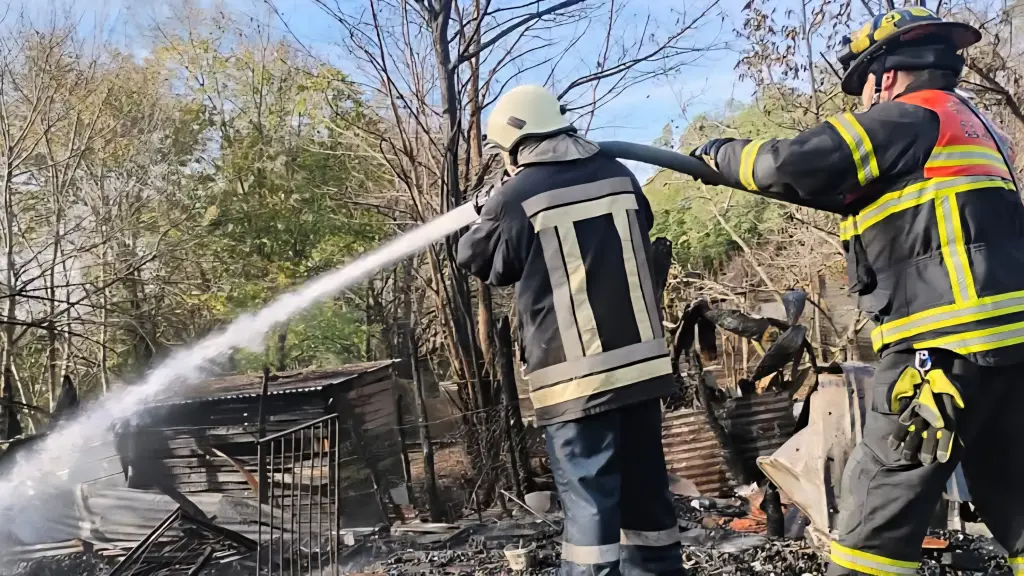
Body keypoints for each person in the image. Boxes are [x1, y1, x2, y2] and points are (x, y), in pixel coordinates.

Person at [688, 7, 1024, 575]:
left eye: (862, 87)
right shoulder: (976, 129)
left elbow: (783, 163)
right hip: (1007, 353)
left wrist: (715, 155)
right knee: (1016, 500)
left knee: (876, 513)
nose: (863, 100)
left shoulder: (903, 119)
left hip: (939, 354)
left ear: (884, 76)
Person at [456, 84, 683, 576]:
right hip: (641, 374)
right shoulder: (620, 174)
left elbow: (480, 260)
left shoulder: (516, 196)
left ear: (516, 143)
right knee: (648, 506)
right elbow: (639, 225)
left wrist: (487, 209)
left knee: (590, 518)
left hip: (577, 384)